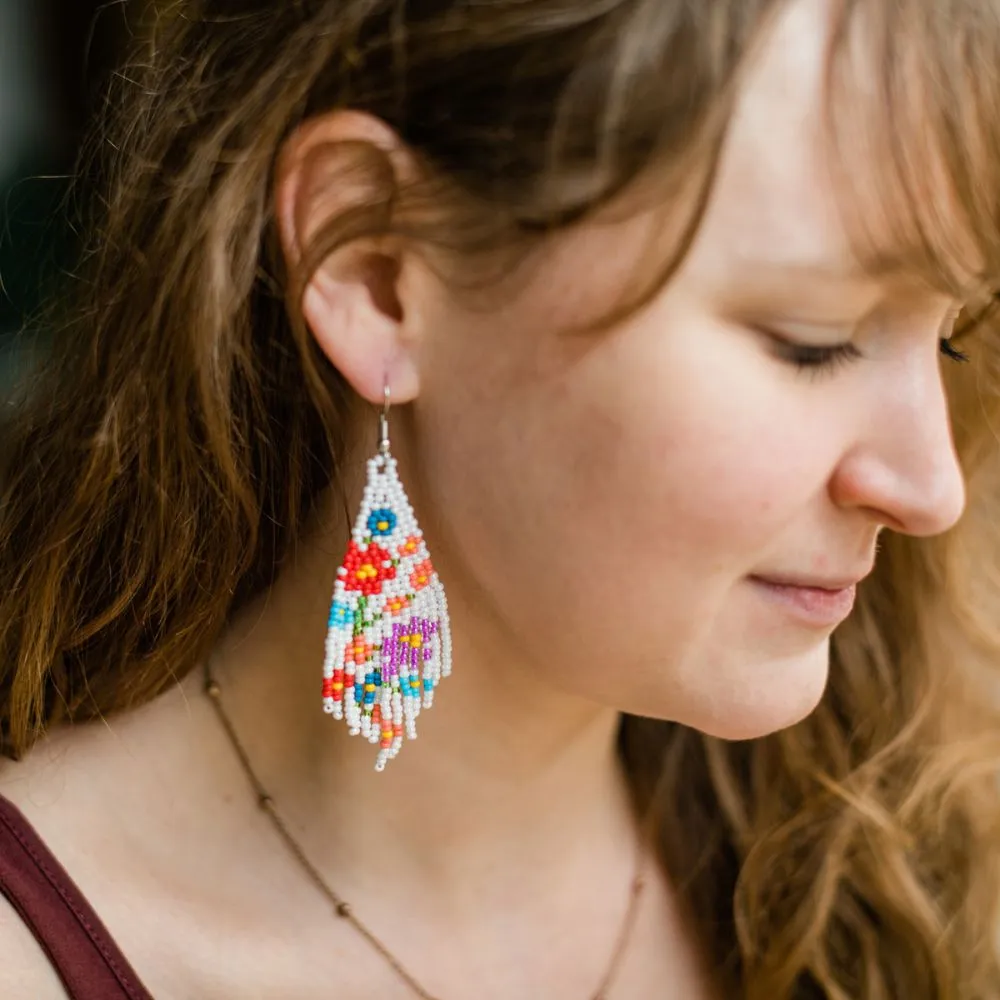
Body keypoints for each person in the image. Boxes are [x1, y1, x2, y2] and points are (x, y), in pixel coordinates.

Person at [1, 0, 999, 996]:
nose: (929, 489)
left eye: (948, 332)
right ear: (378, 273)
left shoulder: (910, 866)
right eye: (811, 338)